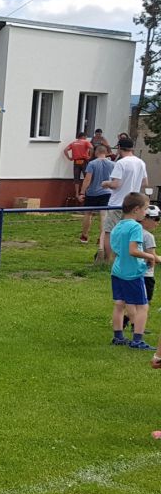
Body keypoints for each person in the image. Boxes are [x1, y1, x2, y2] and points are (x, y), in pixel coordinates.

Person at [108, 192, 156, 349]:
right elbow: (133, 250)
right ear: (136, 209)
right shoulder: (135, 226)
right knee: (142, 306)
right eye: (145, 209)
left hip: (117, 271)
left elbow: (116, 250)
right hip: (132, 273)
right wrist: (150, 256)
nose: (146, 213)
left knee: (119, 304)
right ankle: (137, 340)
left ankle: (118, 337)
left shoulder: (118, 226)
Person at [102, 138, 149, 270]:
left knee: (110, 231)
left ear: (119, 148)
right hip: (134, 202)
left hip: (118, 203)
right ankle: (126, 258)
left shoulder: (121, 163)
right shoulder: (140, 162)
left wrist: (106, 183)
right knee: (129, 232)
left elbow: (116, 184)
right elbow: (145, 183)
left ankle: (109, 261)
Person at [78, 144, 114, 246]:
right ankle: (101, 238)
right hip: (107, 192)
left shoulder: (92, 164)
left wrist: (82, 192)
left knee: (88, 214)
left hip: (92, 193)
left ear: (96, 152)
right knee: (103, 215)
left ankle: (84, 236)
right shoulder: (113, 164)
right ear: (106, 152)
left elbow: (87, 179)